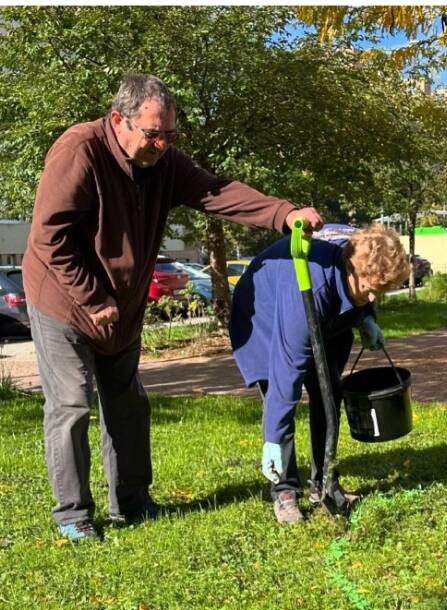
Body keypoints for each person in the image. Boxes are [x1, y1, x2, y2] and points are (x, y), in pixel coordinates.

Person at [22, 73, 324, 543]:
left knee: (127, 404)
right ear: (119, 120)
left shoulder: (163, 164)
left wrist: (282, 213)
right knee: (72, 405)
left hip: (119, 307)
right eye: (152, 133)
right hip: (65, 299)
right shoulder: (79, 150)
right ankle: (73, 515)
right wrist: (93, 298)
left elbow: (218, 192)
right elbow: (48, 239)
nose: (162, 144)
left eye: (169, 134)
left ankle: (134, 501)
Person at [228, 223, 408, 524]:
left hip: (328, 315)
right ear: (352, 269)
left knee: (329, 392)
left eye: (383, 290)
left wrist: (366, 317)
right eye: (371, 289)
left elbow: (367, 289)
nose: (376, 297)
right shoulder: (313, 287)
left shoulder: (359, 274)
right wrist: (272, 438)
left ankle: (324, 482)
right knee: (282, 390)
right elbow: (288, 370)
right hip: (265, 315)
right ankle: (284, 489)